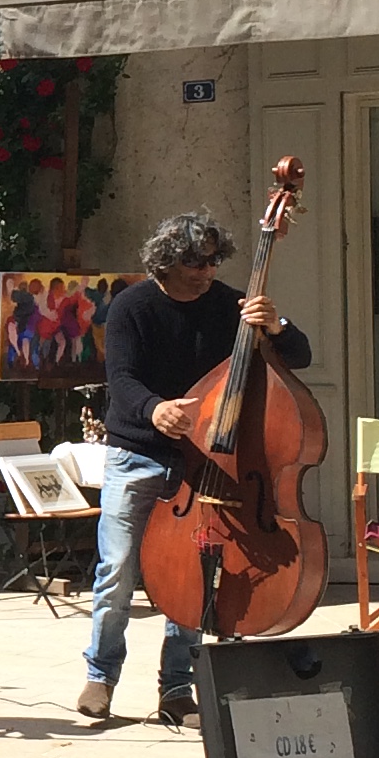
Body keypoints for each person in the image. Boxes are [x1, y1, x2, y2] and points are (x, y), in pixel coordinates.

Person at [78, 209, 312, 726]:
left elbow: (299, 356)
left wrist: (277, 326)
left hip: (204, 460)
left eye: (211, 261)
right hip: (138, 452)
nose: (205, 272)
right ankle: (101, 675)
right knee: (118, 569)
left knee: (191, 576)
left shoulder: (231, 305)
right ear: (165, 261)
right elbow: (122, 379)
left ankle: (178, 688)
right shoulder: (132, 306)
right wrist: (154, 409)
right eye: (194, 263)